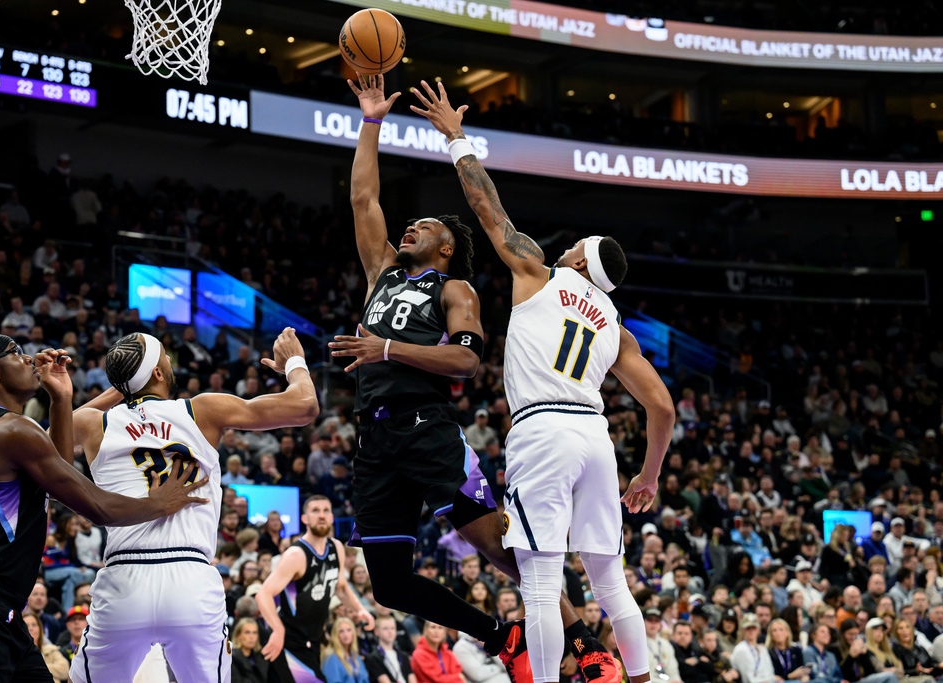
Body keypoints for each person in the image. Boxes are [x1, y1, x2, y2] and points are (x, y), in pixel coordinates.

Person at [334, 72, 598, 683]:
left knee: (501, 549)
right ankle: (502, 637)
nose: (410, 227)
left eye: (426, 226)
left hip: (428, 432)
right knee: (390, 586)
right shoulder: (381, 274)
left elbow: (465, 361)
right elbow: (363, 201)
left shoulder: (454, 289)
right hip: (374, 441)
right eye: (411, 224)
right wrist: (371, 120)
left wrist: (387, 348)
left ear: (448, 247)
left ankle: (585, 641)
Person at [412, 77, 674, 683]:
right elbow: (661, 406)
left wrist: (456, 138)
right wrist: (648, 475)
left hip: (544, 431)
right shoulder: (617, 327)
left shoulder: (538, 271)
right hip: (595, 438)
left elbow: (487, 208)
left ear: (579, 260)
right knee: (611, 583)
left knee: (539, 580)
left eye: (574, 245)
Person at [0, 332, 208, 682]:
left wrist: (61, 399)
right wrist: (157, 504)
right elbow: (96, 506)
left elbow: (54, 474)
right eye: (16, 353)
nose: (29, 359)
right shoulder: (12, 430)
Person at [67, 328, 319, 682]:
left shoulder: (94, 423)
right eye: (165, 357)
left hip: (124, 577)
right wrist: (294, 362)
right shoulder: (201, 409)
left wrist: (118, 390)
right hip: (189, 575)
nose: (171, 359)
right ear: (158, 373)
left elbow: (45, 446)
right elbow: (305, 406)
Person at [256, 495, 374, 683]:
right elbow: (263, 594)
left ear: (332, 517)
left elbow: (341, 587)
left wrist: (360, 609)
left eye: (326, 510)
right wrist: (277, 629)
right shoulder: (296, 554)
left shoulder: (336, 547)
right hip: (291, 642)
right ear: (305, 518)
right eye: (315, 510)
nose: (321, 515)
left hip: (314, 640)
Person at [837, 618, 898, 683]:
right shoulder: (836, 649)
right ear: (843, 634)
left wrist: (864, 655)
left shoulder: (862, 648)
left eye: (856, 634)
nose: (853, 637)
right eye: (850, 634)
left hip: (863, 680)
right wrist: (851, 657)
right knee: (890, 676)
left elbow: (871, 673)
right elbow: (840, 675)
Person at [366, 616, 417, 683]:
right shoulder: (373, 658)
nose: (390, 632)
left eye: (392, 628)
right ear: (376, 632)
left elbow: (411, 677)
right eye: (385, 628)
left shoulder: (403, 656)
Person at [23, 612, 70, 683]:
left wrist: (36, 668)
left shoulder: (51, 650)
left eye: (34, 625)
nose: (30, 628)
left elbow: (65, 670)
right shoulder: (14, 654)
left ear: (40, 629)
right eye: (26, 625)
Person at [732, 613, 777, 683]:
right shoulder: (741, 649)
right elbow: (747, 678)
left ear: (758, 629)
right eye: (748, 628)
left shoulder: (762, 649)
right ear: (742, 630)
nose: (751, 631)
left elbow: (770, 672)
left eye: (754, 628)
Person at [323, 618, 370, 683]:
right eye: (341, 631)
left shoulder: (355, 657)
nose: (346, 634)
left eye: (349, 630)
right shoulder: (331, 658)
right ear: (335, 635)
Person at [230, 617, 266, 683]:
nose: (251, 637)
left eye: (254, 632)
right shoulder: (232, 658)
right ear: (238, 635)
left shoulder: (261, 657)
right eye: (247, 632)